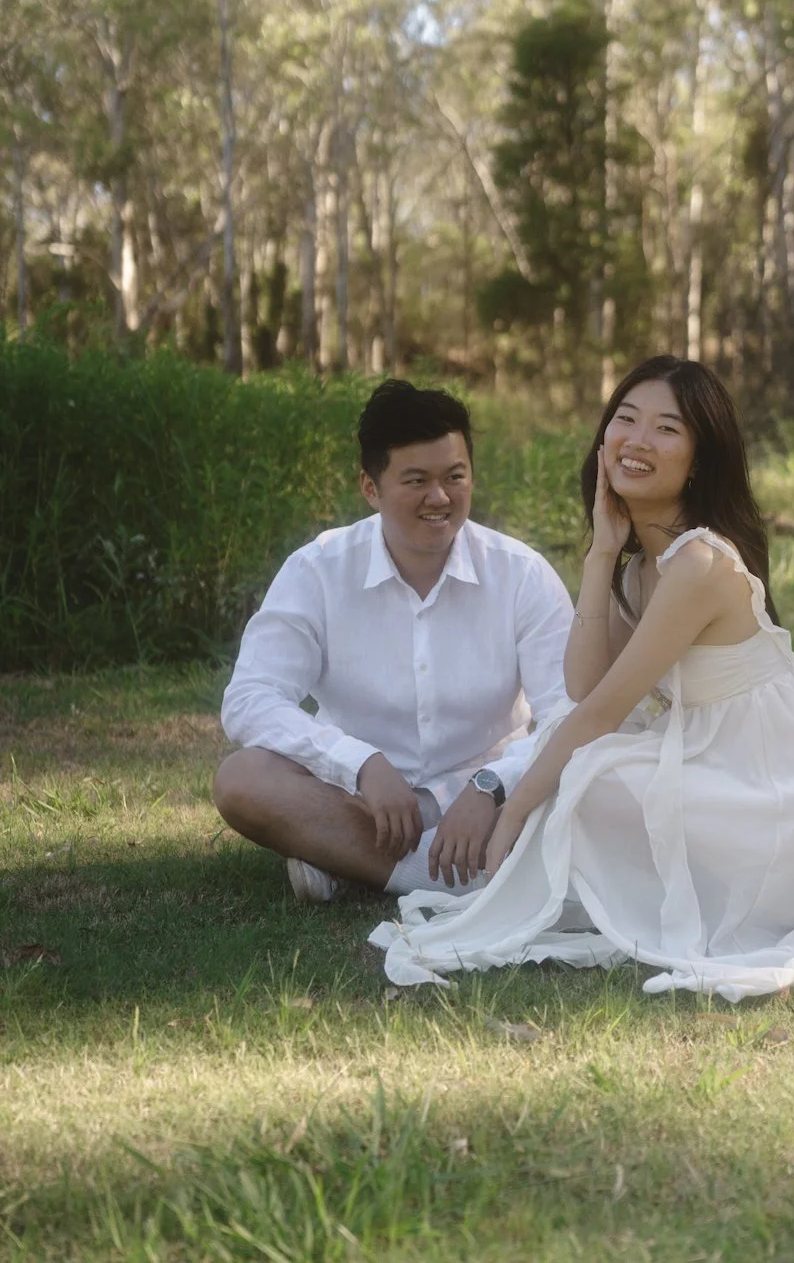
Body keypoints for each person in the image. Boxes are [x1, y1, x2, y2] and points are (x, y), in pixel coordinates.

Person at [370, 356, 794, 1000]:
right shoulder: (642, 569)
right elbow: (583, 685)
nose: (637, 440)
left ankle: (474, 868)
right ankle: (472, 870)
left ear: (699, 459)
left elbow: (597, 711)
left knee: (581, 771)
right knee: (567, 757)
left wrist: (512, 809)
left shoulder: (699, 563)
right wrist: (602, 552)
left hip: (778, 797)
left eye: (666, 429)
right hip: (718, 765)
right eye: (625, 420)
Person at [215, 380, 574, 903]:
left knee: (586, 782)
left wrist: (493, 785)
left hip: (485, 797)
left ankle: (345, 862)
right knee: (241, 779)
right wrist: (360, 763)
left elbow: (567, 713)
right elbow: (249, 700)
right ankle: (442, 875)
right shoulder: (318, 569)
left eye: (455, 476)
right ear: (370, 487)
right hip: (355, 799)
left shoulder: (522, 574)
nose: (440, 497)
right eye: (417, 480)